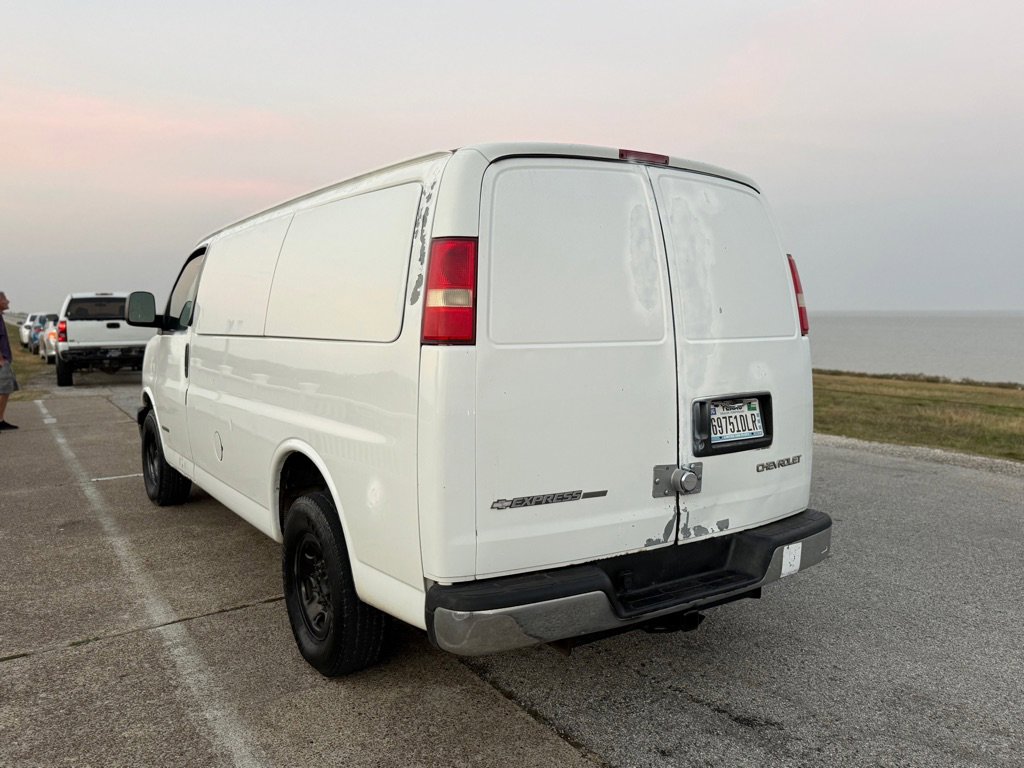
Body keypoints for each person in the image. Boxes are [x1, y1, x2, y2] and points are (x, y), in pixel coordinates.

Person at [0, 291, 20, 430]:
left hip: (5, 358)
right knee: (3, 390)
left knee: (6, 390)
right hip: (2, 361)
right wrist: (1, 359)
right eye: (5, 299)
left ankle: (1, 420)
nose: (8, 301)